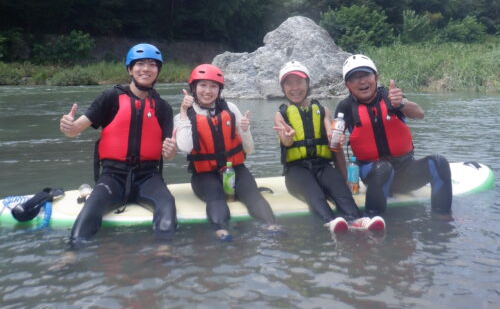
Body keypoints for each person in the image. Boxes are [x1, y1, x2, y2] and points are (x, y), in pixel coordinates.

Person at [59, 43, 178, 252]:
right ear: (130, 69)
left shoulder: (163, 108)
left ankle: (163, 251)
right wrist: (68, 126)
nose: (146, 69)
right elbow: (75, 129)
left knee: (167, 204)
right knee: (91, 207)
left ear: (158, 71)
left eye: (152, 65)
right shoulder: (110, 98)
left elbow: (169, 154)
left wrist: (170, 152)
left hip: (148, 176)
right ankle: (71, 254)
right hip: (113, 176)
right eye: (140, 64)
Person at [273, 61, 385, 236]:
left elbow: (330, 134)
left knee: (341, 191)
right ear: (283, 88)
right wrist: (287, 138)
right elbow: (285, 142)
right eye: (289, 83)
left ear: (308, 84)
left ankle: (357, 219)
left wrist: (334, 137)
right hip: (296, 171)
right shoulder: (280, 115)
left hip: (322, 166)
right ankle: (330, 221)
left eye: (299, 82)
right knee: (314, 194)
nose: (295, 88)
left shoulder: (322, 110)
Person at [336, 54, 453, 218]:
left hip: (405, 171)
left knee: (439, 162)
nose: (361, 81)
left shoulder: (391, 97)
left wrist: (402, 104)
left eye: (365, 75)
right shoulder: (345, 107)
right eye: (354, 78)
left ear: (376, 77)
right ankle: (372, 220)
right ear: (347, 85)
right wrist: (344, 179)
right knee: (383, 169)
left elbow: (420, 114)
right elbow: (334, 145)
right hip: (373, 174)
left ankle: (443, 219)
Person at [175, 63, 281, 241]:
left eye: (213, 86)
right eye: (203, 85)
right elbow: (185, 147)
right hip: (204, 174)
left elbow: (249, 149)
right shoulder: (182, 116)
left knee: (252, 195)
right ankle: (221, 231)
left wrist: (245, 130)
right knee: (215, 197)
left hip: (235, 169)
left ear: (219, 89)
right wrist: (184, 111)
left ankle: (272, 225)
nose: (207, 91)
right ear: (193, 88)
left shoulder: (231, 109)